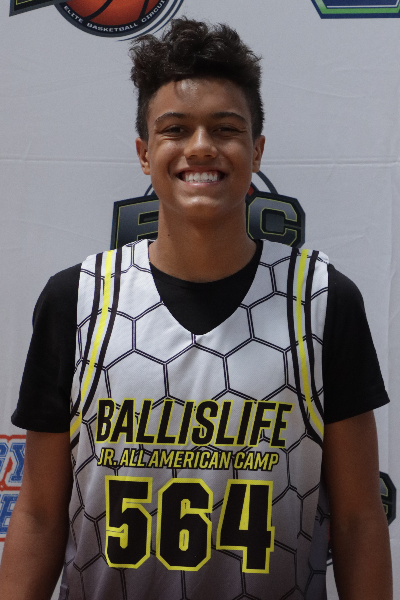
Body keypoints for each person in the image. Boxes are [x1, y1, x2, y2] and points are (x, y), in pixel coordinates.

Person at [0, 18, 392, 600]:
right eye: (176, 129)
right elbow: (36, 515)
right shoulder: (75, 300)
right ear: (144, 152)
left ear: (256, 150)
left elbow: (359, 520)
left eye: (226, 129)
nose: (201, 146)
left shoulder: (323, 300)